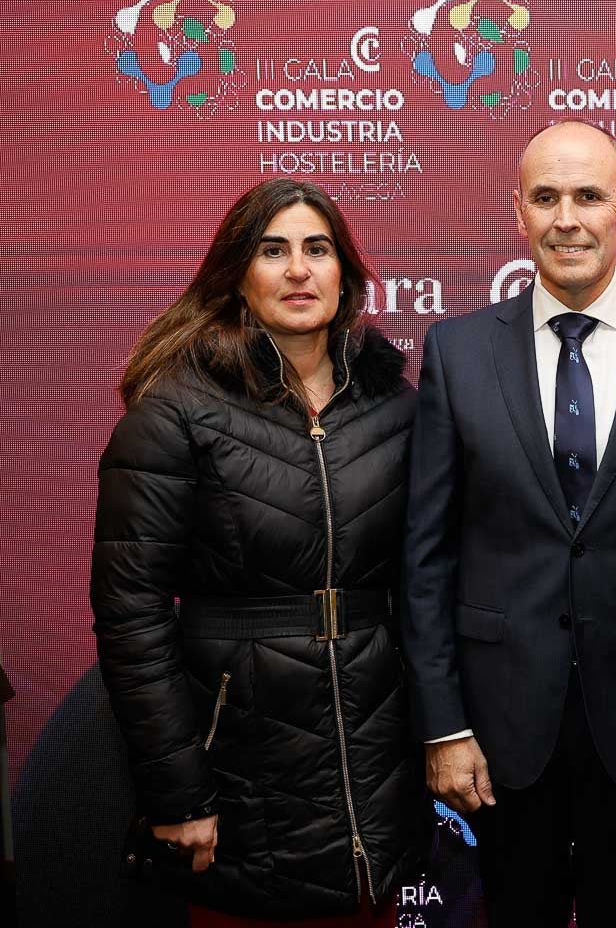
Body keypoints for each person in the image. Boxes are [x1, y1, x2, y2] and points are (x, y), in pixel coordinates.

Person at [402, 121, 616, 928]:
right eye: (545, 197)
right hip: (499, 732)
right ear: (518, 211)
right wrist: (443, 723)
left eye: (589, 195)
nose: (567, 218)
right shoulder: (456, 351)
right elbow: (426, 556)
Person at [90, 178, 424, 925]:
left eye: (318, 248)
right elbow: (130, 616)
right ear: (238, 272)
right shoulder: (175, 410)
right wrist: (178, 792)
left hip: (375, 764)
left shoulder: (396, 408)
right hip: (238, 769)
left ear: (347, 272)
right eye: (273, 251)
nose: (299, 270)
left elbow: (429, 581)